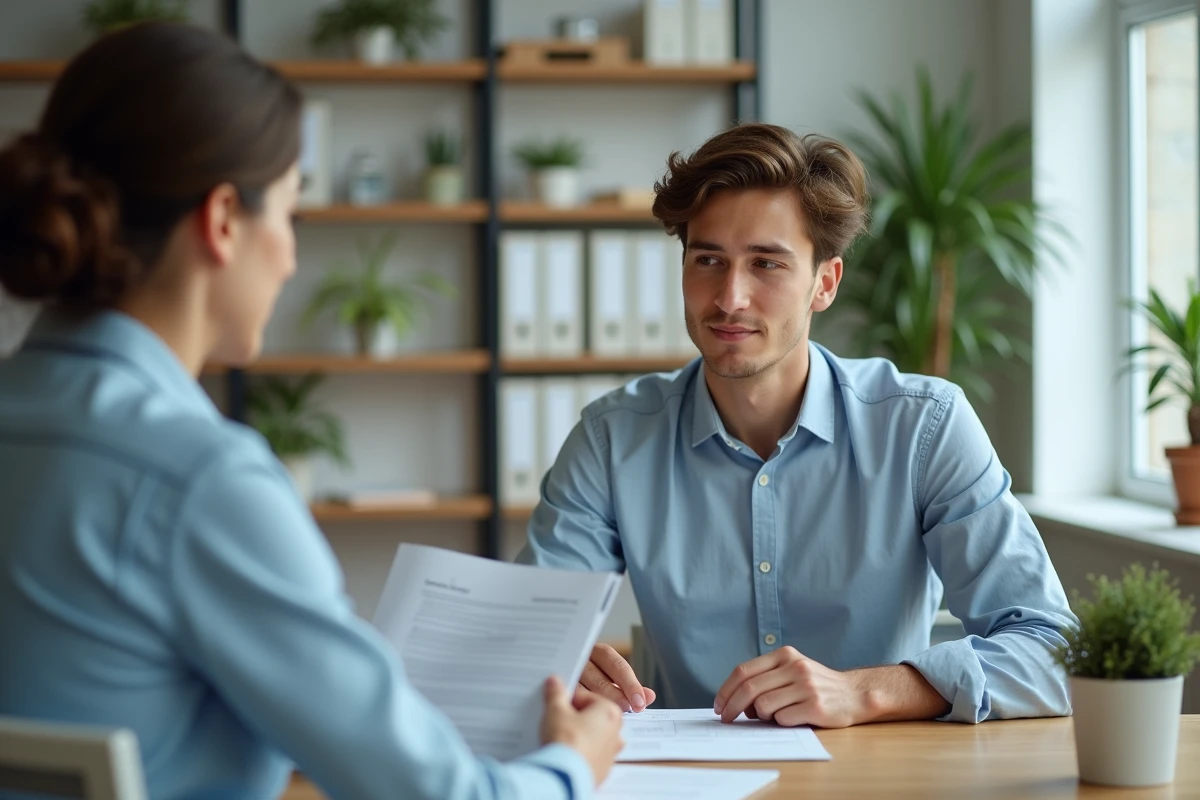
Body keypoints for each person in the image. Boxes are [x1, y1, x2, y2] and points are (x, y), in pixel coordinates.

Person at [0, 22, 621, 800]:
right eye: (290, 213)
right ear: (224, 220)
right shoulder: (198, 479)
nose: (292, 256)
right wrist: (573, 763)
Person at [518, 122, 1076, 727]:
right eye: (708, 260)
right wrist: (552, 662)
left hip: (879, 778)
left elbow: (1054, 651)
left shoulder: (924, 427)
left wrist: (870, 691)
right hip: (694, 783)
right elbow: (517, 635)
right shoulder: (612, 438)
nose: (730, 297)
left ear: (824, 283)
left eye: (766, 264)